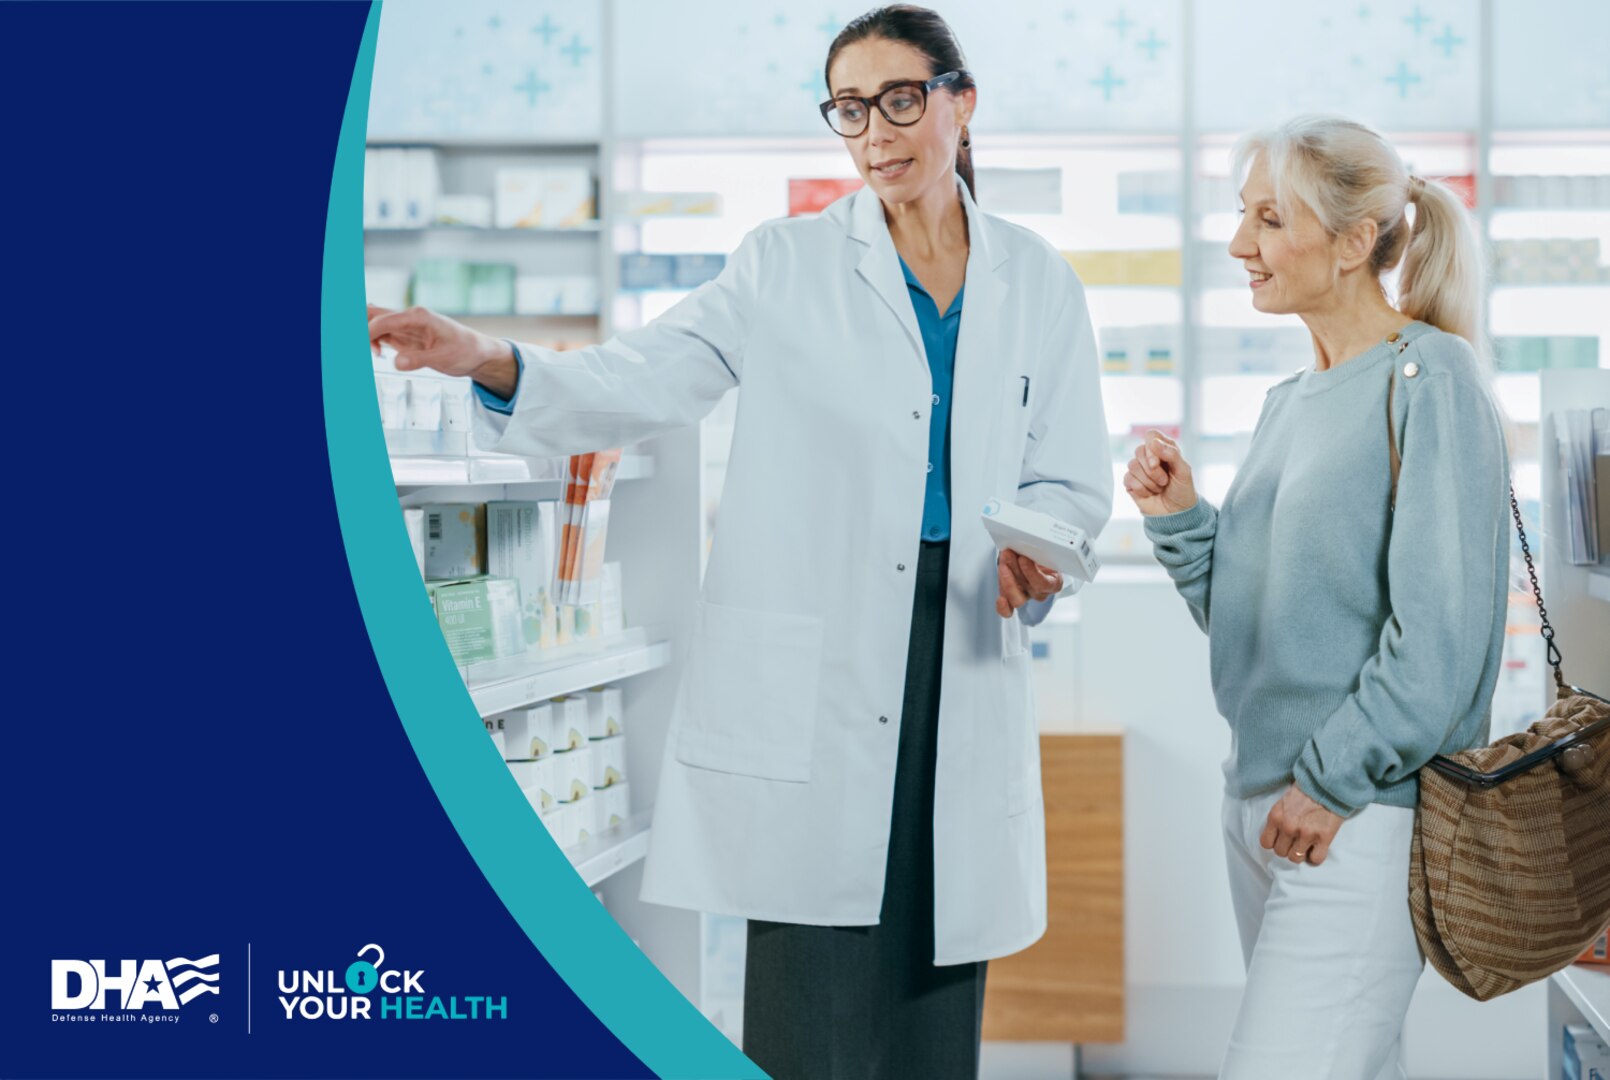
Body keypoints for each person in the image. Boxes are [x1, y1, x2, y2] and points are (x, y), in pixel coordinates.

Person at [368, 6, 1111, 1076]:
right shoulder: (784, 263)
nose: (875, 133)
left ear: (960, 102)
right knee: (811, 980)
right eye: (849, 110)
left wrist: (1043, 550)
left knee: (936, 965)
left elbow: (1070, 478)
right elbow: (643, 375)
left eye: (899, 100)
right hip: (822, 646)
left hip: (962, 634)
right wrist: (489, 357)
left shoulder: (1037, 279)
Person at [1124, 114, 1508, 1080]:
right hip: (1262, 807)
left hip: (1356, 817)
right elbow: (1254, 627)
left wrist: (1332, 781)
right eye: (1240, 215)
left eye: (1268, 218)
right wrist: (1181, 522)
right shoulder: (1287, 403)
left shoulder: (1431, 378)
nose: (1238, 243)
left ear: (1351, 242)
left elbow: (1442, 640)